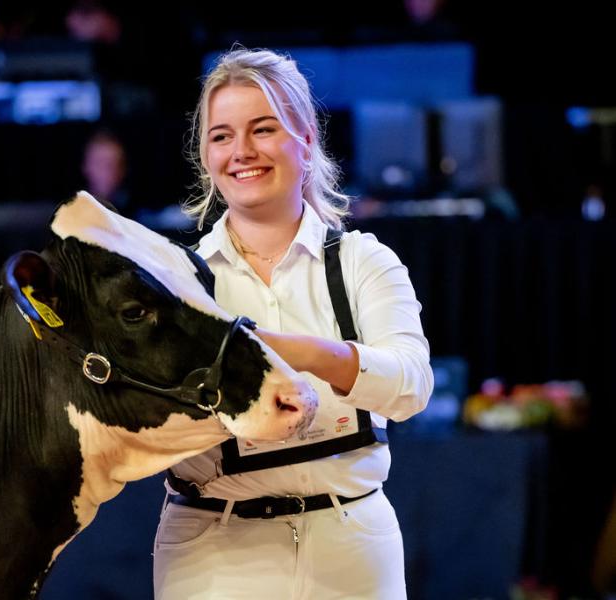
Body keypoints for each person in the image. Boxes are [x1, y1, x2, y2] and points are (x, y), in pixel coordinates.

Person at [152, 48, 433, 599]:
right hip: (213, 547)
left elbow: (411, 387)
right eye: (222, 136)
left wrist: (294, 352)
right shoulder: (177, 283)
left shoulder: (363, 261)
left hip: (352, 543)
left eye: (263, 129)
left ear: (305, 139)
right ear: (205, 156)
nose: (242, 152)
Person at [81, 129, 130, 214]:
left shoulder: (141, 216)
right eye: (99, 163)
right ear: (86, 167)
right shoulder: (68, 215)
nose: (106, 172)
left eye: (112, 164)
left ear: (123, 170)